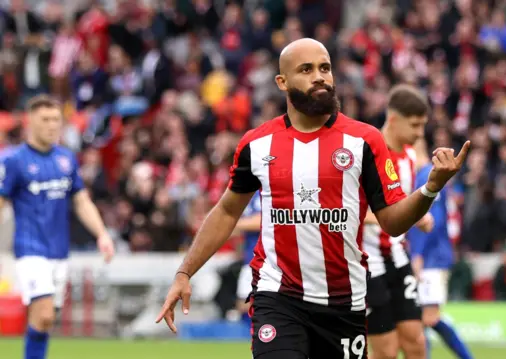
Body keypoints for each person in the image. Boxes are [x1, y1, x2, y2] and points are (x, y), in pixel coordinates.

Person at [156, 38, 470, 359]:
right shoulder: (257, 145)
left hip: (343, 301)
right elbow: (226, 211)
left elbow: (392, 221)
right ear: (282, 82)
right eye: (306, 70)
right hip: (278, 295)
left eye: (325, 68)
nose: (319, 76)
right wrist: (184, 273)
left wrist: (430, 188)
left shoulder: (364, 141)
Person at [0, 95, 114, 359]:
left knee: (45, 320)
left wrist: (102, 234)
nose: (52, 126)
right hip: (30, 249)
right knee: (45, 313)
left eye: (56, 120)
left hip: (59, 251)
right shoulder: (13, 161)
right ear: (30, 122)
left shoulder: (66, 159)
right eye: (45, 120)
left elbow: (82, 201)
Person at [363, 84, 430, 359]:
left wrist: (416, 215)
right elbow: (351, 209)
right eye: (415, 125)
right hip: (369, 265)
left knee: (416, 341)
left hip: (398, 258)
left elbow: (400, 205)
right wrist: (403, 218)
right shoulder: (365, 155)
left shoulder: (410, 158)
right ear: (393, 120)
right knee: (386, 351)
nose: (419, 133)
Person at [409, 160, 474, 359]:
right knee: (422, 318)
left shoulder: (426, 174)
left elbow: (430, 220)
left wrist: (418, 254)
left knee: (428, 317)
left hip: (431, 258)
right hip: (433, 256)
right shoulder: (424, 173)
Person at [234, 191, 262, 321]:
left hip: (263, 261)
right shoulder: (248, 195)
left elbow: (262, 220)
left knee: (253, 304)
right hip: (249, 258)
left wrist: (229, 223)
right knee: (243, 304)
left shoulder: (263, 192)